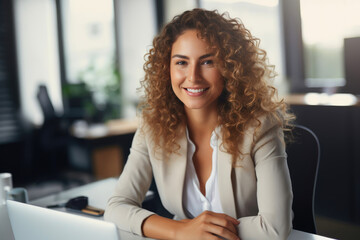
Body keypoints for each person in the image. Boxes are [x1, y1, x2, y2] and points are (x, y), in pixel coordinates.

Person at [105, 8, 294, 240]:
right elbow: (116, 208)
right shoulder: (152, 126)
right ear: (167, 69)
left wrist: (200, 233)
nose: (193, 77)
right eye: (181, 62)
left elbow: (275, 229)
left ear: (231, 68)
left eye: (207, 62)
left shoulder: (259, 127)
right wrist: (180, 230)